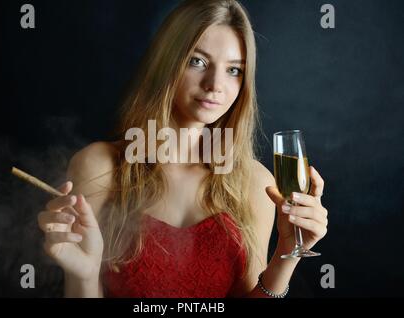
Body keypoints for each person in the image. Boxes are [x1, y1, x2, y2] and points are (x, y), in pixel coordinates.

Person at [37, 0, 328, 298]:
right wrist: (83, 275)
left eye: (233, 70)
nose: (215, 84)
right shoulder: (100, 167)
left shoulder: (257, 183)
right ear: (167, 64)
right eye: (197, 61)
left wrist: (287, 253)